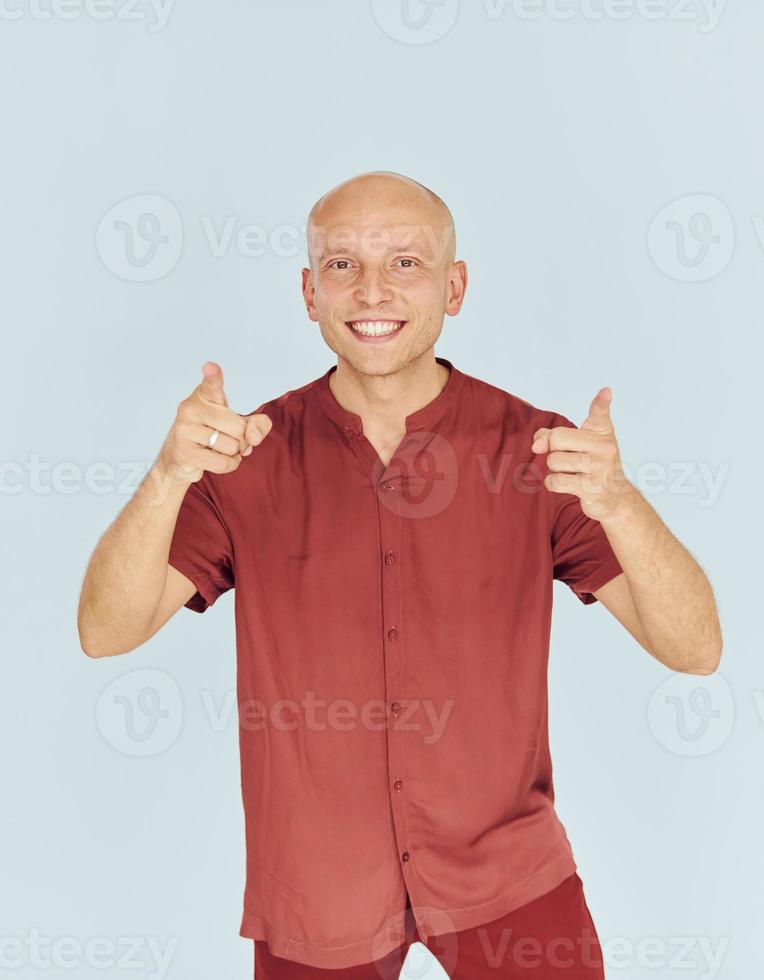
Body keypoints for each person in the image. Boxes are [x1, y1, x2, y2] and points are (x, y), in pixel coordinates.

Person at [77, 171, 722, 978]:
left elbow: (696, 650)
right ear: (308, 293)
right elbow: (105, 633)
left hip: (508, 878)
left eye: (406, 263)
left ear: (455, 287)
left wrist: (621, 505)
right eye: (342, 265)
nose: (371, 289)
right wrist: (169, 474)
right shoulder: (245, 457)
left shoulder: (539, 454)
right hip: (317, 890)